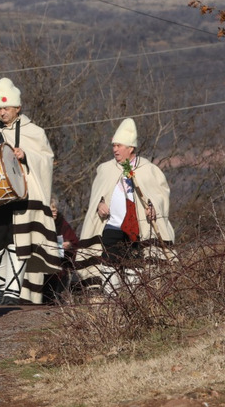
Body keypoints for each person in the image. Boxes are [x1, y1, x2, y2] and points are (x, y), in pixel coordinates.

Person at [0, 77, 61, 305]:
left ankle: (13, 292)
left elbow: (47, 158)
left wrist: (26, 155)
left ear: (18, 108)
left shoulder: (33, 131)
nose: (2, 112)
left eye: (6, 108)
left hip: (23, 195)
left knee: (18, 241)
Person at [74, 118, 177, 295]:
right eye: (114, 146)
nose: (115, 150)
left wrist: (154, 209)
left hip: (137, 229)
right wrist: (100, 204)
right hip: (112, 226)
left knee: (134, 270)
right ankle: (110, 301)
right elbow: (98, 195)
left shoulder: (149, 169)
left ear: (130, 148)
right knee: (108, 266)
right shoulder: (105, 169)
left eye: (119, 146)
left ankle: (131, 302)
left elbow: (160, 196)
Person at [42, 196, 79, 303]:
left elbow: (74, 242)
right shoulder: (40, 224)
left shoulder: (62, 223)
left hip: (59, 265)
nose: (55, 211)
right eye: (52, 209)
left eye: (56, 209)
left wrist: (69, 245)